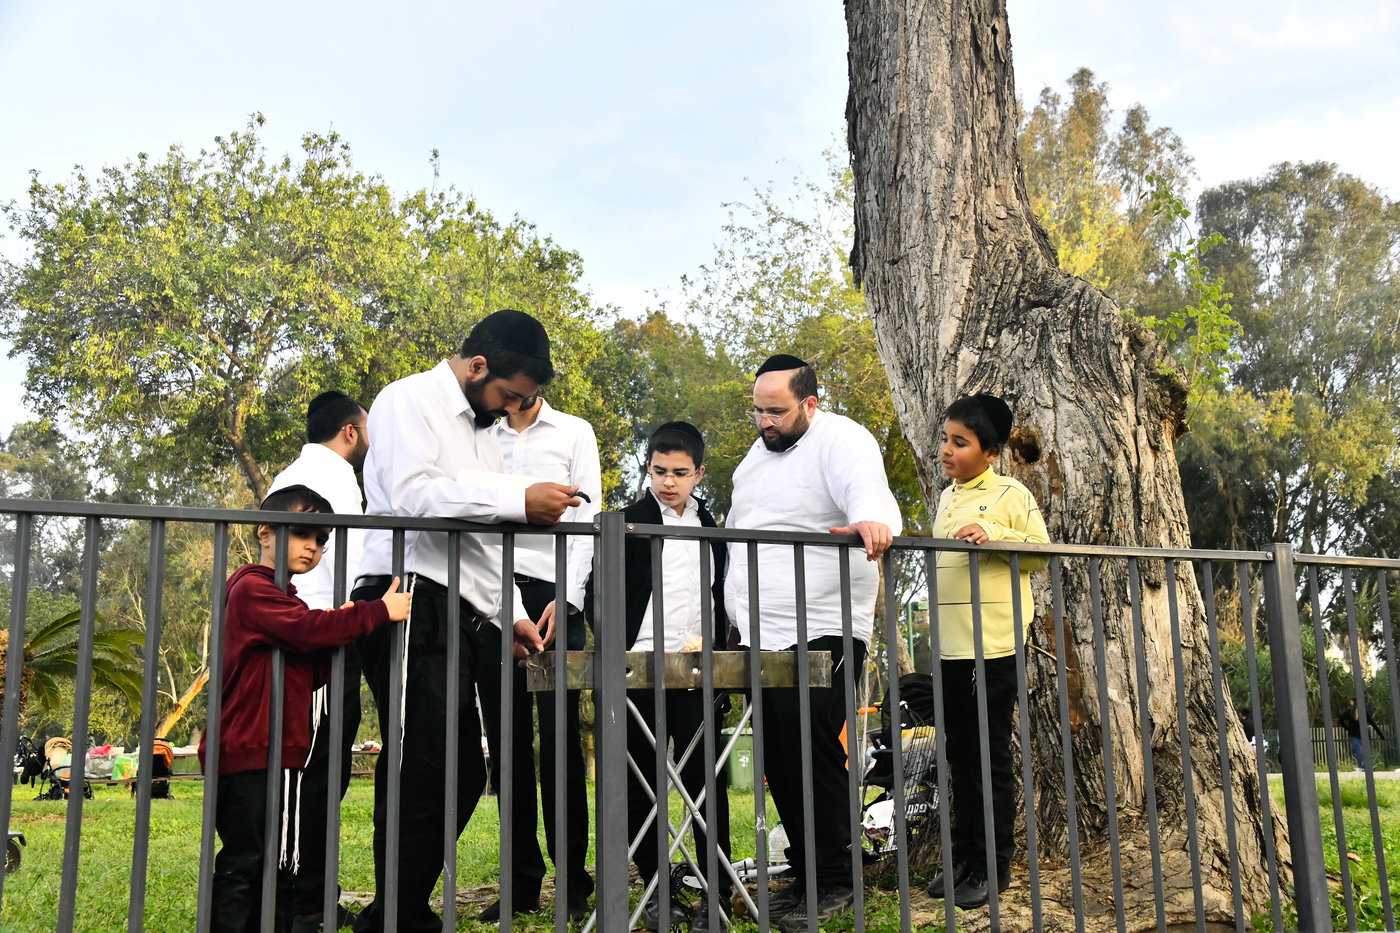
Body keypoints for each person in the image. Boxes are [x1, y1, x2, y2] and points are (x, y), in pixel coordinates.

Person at [348, 308, 581, 933]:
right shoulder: (406, 400)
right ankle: (397, 914)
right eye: (510, 395)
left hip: (461, 607)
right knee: (422, 760)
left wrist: (514, 616)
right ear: (478, 366)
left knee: (463, 769)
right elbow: (413, 497)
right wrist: (518, 498)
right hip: (405, 595)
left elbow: (479, 540)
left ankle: (397, 910)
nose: (511, 410)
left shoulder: (481, 432)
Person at [723, 355, 901, 933]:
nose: (765, 421)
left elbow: (867, 492)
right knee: (777, 756)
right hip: (759, 634)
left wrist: (873, 519)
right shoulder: (753, 460)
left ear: (809, 404)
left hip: (824, 626)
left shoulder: (841, 439)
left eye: (776, 410)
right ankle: (807, 876)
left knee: (814, 750)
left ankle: (837, 880)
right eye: (758, 410)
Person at [201, 485, 411, 933]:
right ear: (265, 532)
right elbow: (304, 628)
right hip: (259, 749)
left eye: (321, 539)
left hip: (265, 750)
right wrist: (374, 613)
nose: (313, 546)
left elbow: (307, 663)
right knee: (260, 862)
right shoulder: (253, 589)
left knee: (267, 862)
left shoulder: (279, 597)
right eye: (301, 533)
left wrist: (344, 628)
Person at [476, 393, 601, 922]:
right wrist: (502, 604)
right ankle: (521, 883)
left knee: (560, 744)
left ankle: (573, 882)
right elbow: (477, 519)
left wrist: (567, 598)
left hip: (557, 598)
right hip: (494, 596)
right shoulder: (478, 435)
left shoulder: (574, 431)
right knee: (506, 748)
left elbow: (589, 518)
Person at [607, 421, 733, 932]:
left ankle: (718, 890)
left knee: (708, 779)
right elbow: (604, 593)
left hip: (698, 667)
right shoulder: (624, 522)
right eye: (659, 471)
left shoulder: (716, 528)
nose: (668, 482)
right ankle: (657, 889)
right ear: (648, 468)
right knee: (642, 781)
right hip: (636, 666)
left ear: (698, 473)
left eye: (680, 473)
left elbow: (726, 595)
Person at [924, 393, 1048, 909]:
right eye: (945, 440)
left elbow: (1040, 553)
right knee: (958, 758)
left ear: (991, 452)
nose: (946, 451)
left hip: (992, 649)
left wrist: (993, 531)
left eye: (960, 442)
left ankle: (993, 867)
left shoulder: (1010, 494)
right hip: (951, 651)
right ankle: (966, 859)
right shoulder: (947, 496)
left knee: (987, 760)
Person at [266, 390, 370, 932]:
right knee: (313, 771)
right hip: (320, 637)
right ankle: (303, 903)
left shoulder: (293, 475)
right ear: (350, 431)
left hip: (323, 631)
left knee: (317, 772)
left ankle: (308, 894)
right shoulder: (330, 481)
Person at [1339, 697, 1385, 772]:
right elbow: (1372, 723)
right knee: (1365, 751)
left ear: (1352, 702)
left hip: (1354, 734)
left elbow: (1340, 720)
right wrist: (1380, 735)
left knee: (1359, 751)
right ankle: (1367, 766)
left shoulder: (1349, 711)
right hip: (1364, 735)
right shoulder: (1364, 711)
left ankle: (1363, 766)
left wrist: (1347, 728)